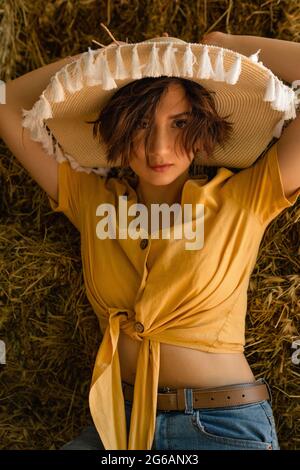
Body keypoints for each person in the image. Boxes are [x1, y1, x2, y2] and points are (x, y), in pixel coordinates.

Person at [0, 28, 299, 451]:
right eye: (142, 124)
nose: (160, 147)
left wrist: (224, 45)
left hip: (219, 426)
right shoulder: (91, 201)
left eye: (179, 124)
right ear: (120, 132)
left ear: (202, 131)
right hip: (115, 423)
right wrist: (105, 62)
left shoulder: (245, 198)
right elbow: (5, 101)